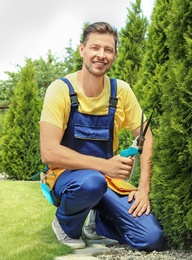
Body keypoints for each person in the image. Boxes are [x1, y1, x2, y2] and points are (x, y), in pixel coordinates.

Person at [39, 21, 164, 251]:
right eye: (95, 48)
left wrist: (143, 189)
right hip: (66, 179)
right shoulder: (61, 90)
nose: (101, 55)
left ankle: (97, 225)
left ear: (115, 55)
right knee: (91, 182)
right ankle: (66, 225)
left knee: (151, 238)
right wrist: (105, 165)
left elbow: (148, 138)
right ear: (82, 50)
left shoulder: (121, 92)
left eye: (108, 50)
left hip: (105, 182)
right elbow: (49, 152)